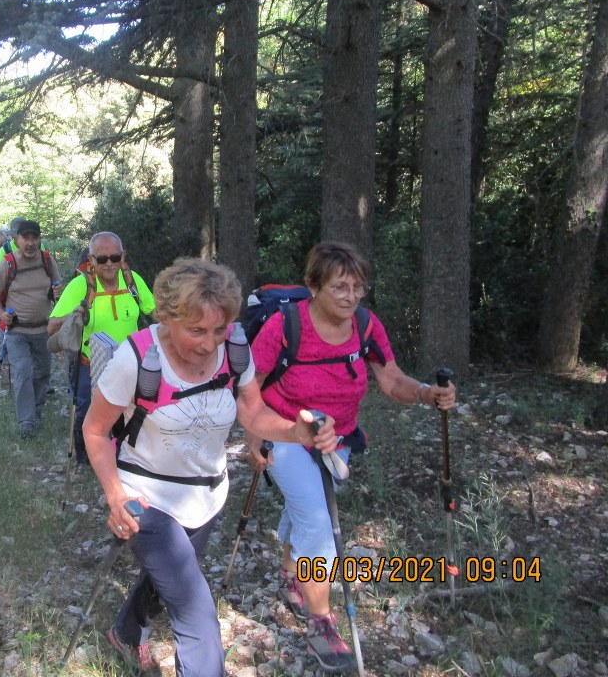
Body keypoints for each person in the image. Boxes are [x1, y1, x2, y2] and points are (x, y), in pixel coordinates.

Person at [81, 257, 338, 677]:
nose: (208, 343)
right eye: (196, 330)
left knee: (166, 582)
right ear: (166, 317)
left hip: (207, 494)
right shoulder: (137, 358)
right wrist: (115, 495)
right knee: (196, 608)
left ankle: (126, 632)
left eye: (218, 329)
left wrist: (298, 431)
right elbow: (94, 431)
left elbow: (253, 413)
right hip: (145, 498)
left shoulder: (235, 350)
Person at [245, 241, 457, 674]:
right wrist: (253, 436)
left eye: (358, 287)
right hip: (286, 433)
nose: (351, 296)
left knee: (307, 511)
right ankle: (321, 622)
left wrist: (425, 394)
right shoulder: (285, 327)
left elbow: (392, 379)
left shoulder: (365, 325)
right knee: (320, 525)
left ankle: (290, 571)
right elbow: (251, 386)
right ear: (313, 287)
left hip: (338, 438)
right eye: (340, 287)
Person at [48, 231, 155, 466]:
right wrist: (75, 314)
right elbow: (51, 326)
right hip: (90, 364)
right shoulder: (80, 286)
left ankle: (124, 456)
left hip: (130, 364)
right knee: (87, 412)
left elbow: (155, 312)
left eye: (114, 258)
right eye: (102, 258)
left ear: (123, 256)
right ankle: (87, 460)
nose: (109, 264)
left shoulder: (132, 281)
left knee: (130, 411)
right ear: (92, 260)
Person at [0, 220, 63, 437]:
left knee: (42, 374)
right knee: (23, 372)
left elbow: (57, 289)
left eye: (35, 238)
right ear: (16, 240)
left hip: (43, 329)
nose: (30, 243)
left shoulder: (48, 260)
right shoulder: (7, 263)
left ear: (39, 239)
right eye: (26, 238)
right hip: (17, 331)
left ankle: (36, 413)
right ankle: (26, 422)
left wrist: (57, 294)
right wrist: (1, 314)